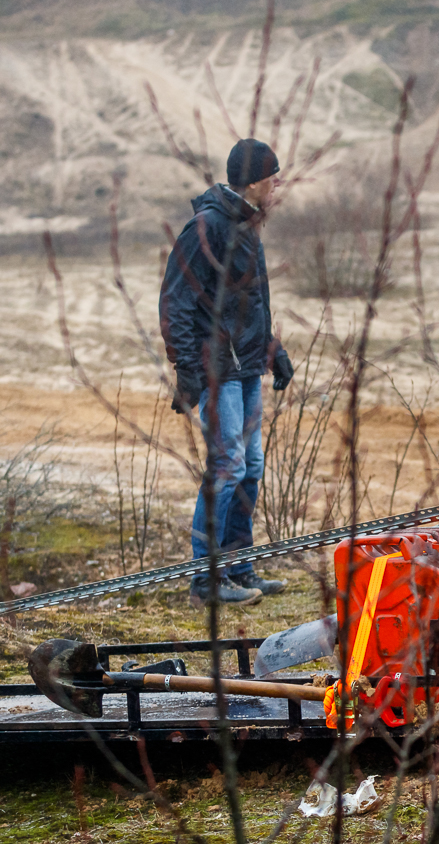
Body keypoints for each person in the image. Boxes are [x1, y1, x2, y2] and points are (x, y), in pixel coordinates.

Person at [160, 138, 294, 607]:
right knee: (228, 465)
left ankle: (239, 567)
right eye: (273, 178)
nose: (276, 186)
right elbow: (176, 302)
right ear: (254, 182)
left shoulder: (246, 226)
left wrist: (273, 350)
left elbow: (250, 302)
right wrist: (187, 368)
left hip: (247, 365)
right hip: (219, 369)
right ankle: (206, 580)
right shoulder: (207, 227)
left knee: (250, 466)